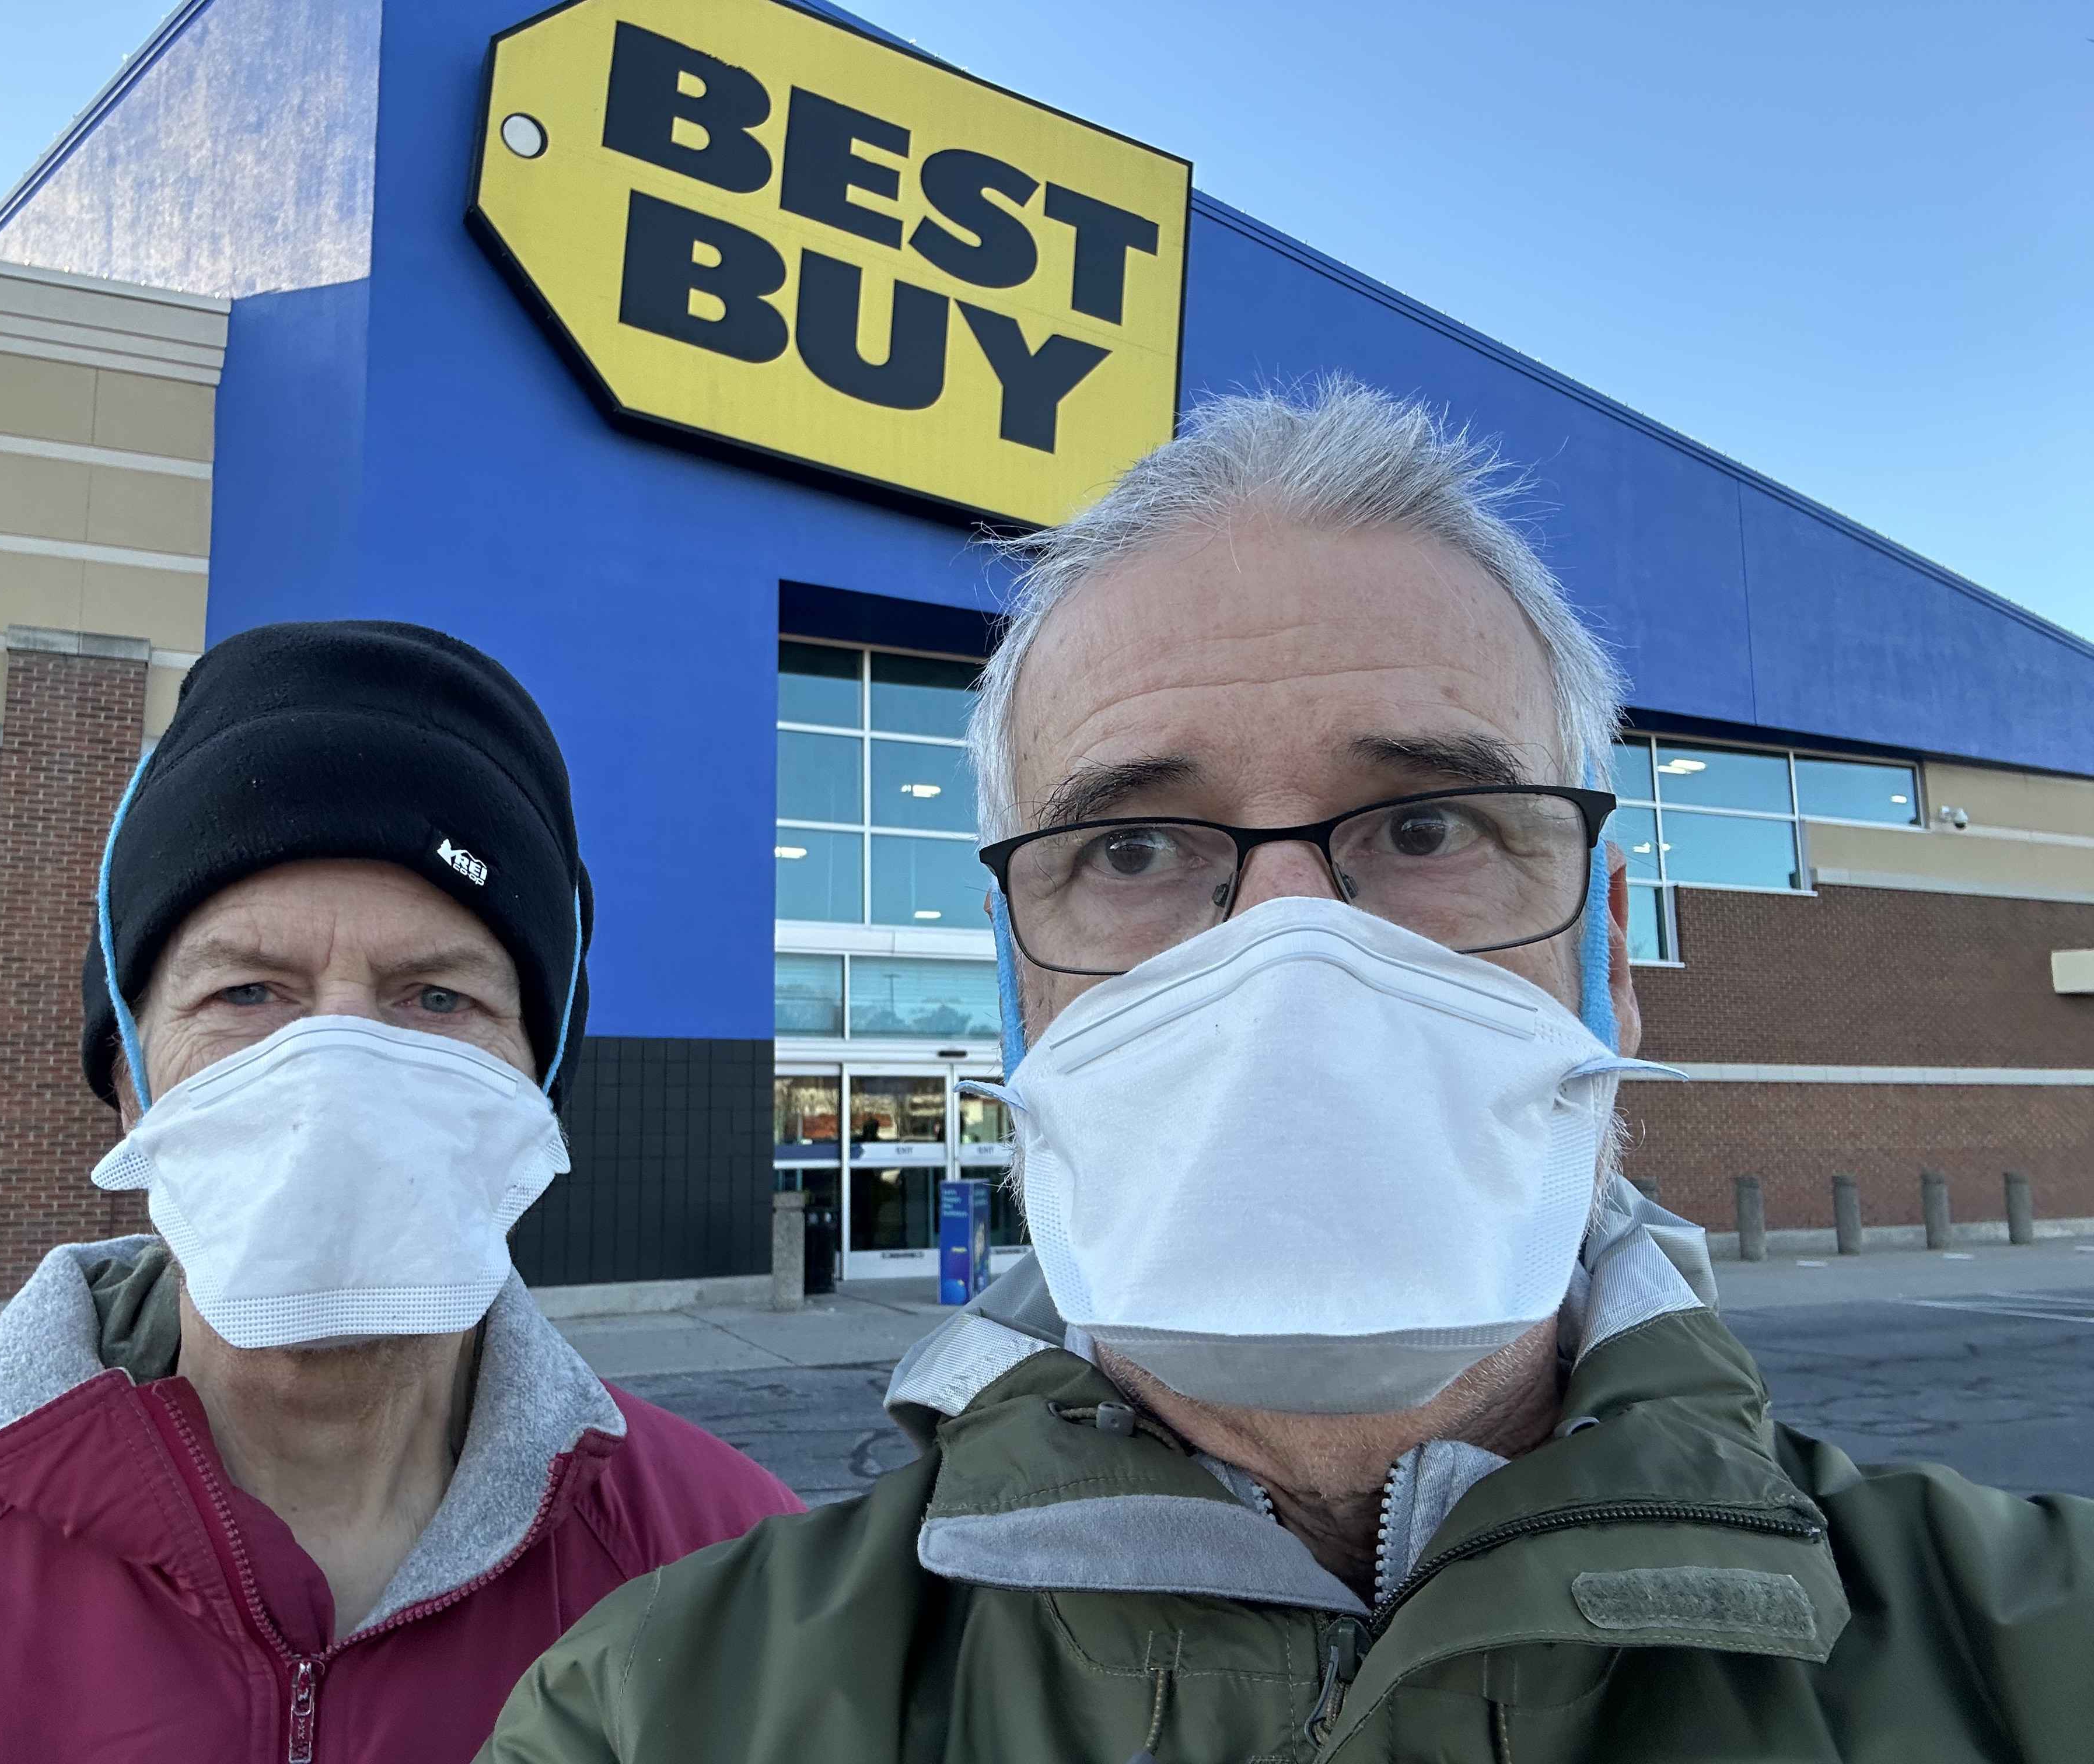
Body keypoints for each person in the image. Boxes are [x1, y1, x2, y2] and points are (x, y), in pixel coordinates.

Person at [480, 386, 2094, 1764]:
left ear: (1606, 950)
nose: (1288, 950)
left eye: (1426, 826)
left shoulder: (2034, 1655)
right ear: (1018, 989)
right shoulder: (654, 1715)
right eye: (1133, 848)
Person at [0, 622, 800, 1763]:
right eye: (248, 992)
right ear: (133, 1084)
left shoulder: (743, 1587)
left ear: (536, 1093)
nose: (336, 1077)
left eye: (438, 999)